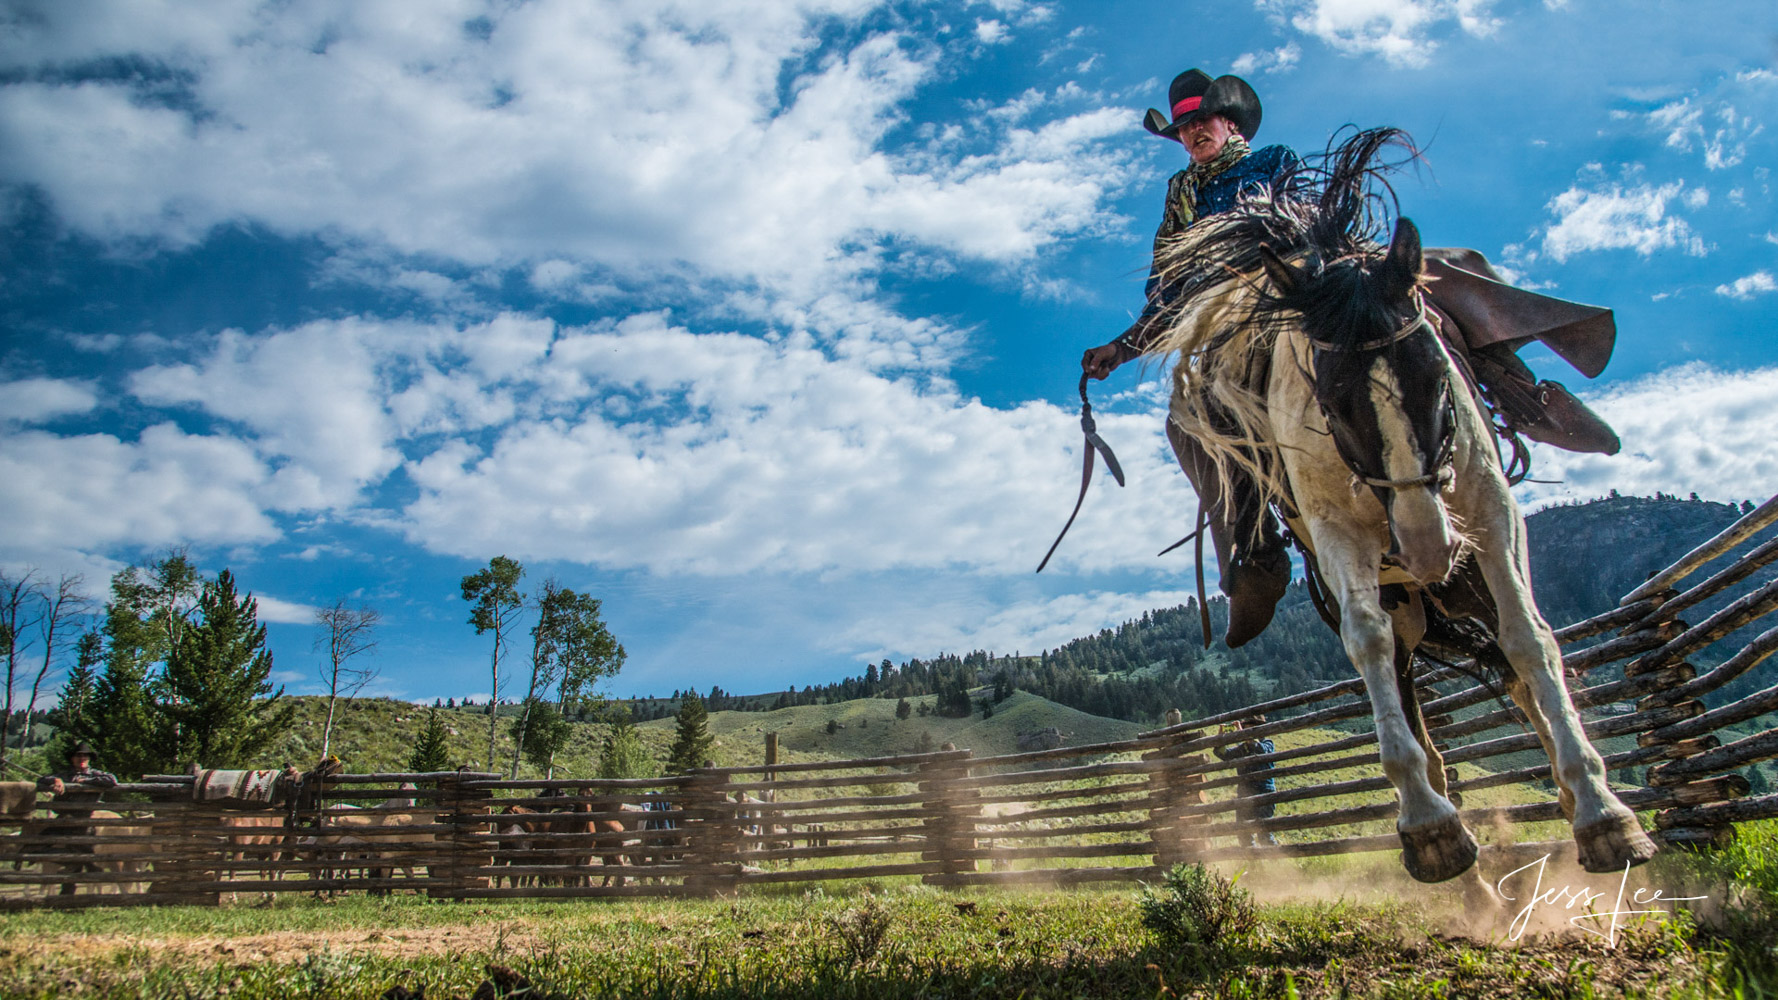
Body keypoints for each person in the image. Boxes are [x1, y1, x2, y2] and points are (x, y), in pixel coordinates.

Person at [1083, 68, 1624, 648]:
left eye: (1200, 122)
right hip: (1234, 320)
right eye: (1183, 129)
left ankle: (1525, 397)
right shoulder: (1180, 198)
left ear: (1228, 121)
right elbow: (1167, 289)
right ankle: (1252, 549)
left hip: (1298, 281)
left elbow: (1306, 222)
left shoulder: (1273, 161)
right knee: (1190, 418)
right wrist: (1123, 346)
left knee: (1439, 275)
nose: (1191, 135)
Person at [1212, 716, 1278, 847]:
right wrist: (1221, 735)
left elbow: (1259, 749)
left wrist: (1242, 734)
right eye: (1245, 729)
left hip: (1264, 791)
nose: (1247, 732)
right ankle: (1253, 863)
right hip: (1245, 792)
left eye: (1250, 729)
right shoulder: (1242, 748)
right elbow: (1222, 753)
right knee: (1243, 831)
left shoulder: (1267, 743)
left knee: (1264, 831)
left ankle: (1274, 859)